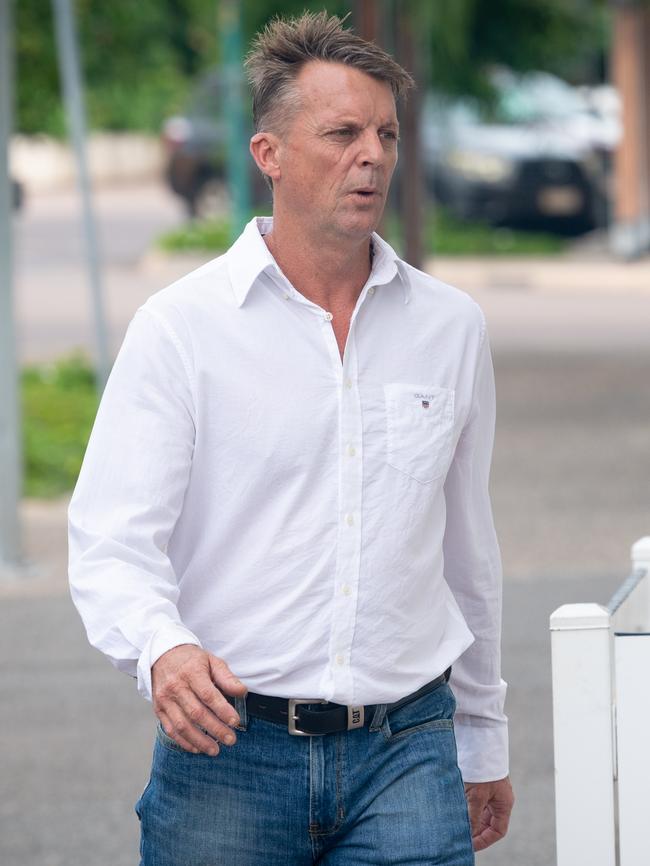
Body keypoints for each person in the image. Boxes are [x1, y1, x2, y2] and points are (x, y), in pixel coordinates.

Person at [68, 11, 514, 866]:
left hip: (407, 752)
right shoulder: (181, 329)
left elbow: (468, 554)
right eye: (342, 133)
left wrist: (484, 739)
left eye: (385, 133)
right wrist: (161, 648)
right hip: (229, 755)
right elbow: (111, 539)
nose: (373, 155)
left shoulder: (451, 328)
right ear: (268, 154)